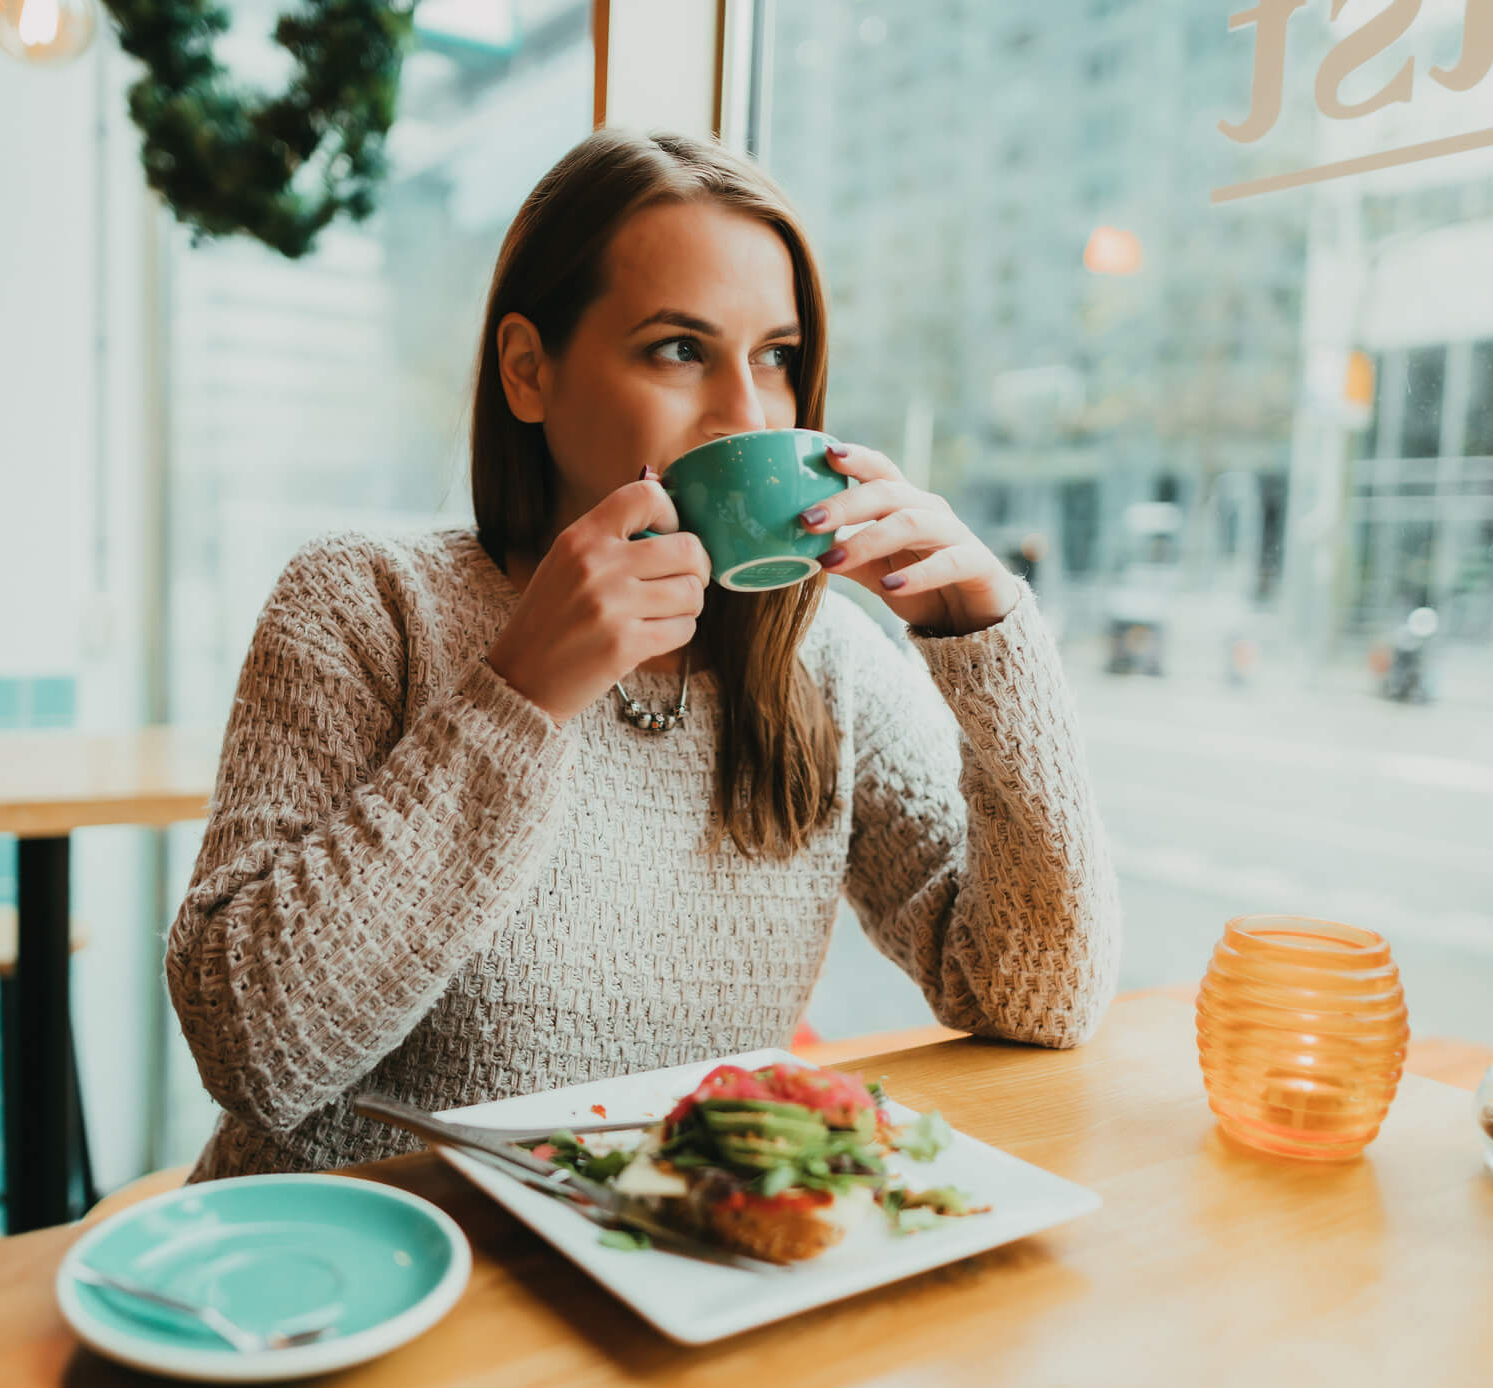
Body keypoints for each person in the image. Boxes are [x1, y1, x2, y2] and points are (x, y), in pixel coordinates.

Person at [166, 129, 1122, 1179]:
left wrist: (981, 639)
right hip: (354, 1276)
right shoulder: (365, 600)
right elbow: (250, 1049)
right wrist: (515, 696)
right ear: (530, 372)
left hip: (647, 1285)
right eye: (678, 349)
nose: (746, 416)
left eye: (779, 356)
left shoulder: (821, 661)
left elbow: (1037, 996)